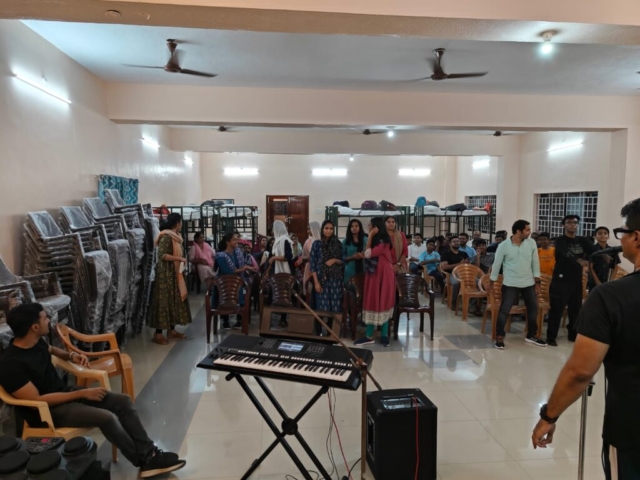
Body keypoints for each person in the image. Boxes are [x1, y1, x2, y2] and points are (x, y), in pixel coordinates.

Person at [0, 304, 186, 478]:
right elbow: (38, 400)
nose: (48, 320)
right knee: (106, 417)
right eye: (44, 318)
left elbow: (52, 350)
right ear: (34, 327)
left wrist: (72, 355)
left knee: (123, 401)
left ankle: (149, 454)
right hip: (46, 412)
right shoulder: (11, 364)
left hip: (64, 393)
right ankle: (145, 461)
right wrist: (81, 393)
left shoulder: (36, 342)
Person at [531, 198, 640, 479]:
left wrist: (549, 416)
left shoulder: (611, 297)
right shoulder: (560, 244)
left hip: (632, 429)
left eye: (622, 232)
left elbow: (580, 372)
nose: (619, 239)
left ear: (636, 238)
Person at [490, 220, 546, 349]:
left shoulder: (531, 243)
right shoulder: (504, 245)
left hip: (528, 282)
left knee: (533, 309)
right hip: (510, 283)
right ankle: (499, 336)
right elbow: (496, 264)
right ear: (518, 231)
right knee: (504, 310)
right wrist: (491, 283)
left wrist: (537, 282)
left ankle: (531, 335)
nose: (529, 232)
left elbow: (535, 263)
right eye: (527, 230)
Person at [546, 215, 597, 345]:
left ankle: (573, 335)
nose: (572, 225)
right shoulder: (560, 241)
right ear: (563, 225)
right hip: (560, 280)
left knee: (575, 310)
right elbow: (565, 253)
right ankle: (551, 337)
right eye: (569, 222)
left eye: (575, 222)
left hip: (576, 280)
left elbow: (594, 251)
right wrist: (579, 260)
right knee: (557, 309)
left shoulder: (582, 240)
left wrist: (606, 256)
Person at [149, 213, 191, 346]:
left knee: (174, 300)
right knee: (164, 302)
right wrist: (180, 258)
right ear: (177, 223)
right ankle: (158, 334)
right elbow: (162, 255)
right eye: (181, 222)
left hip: (175, 273)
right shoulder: (166, 236)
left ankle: (171, 330)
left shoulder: (176, 236)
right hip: (165, 275)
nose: (182, 224)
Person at [355, 218, 395, 347]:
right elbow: (367, 253)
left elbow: (367, 254)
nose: (369, 226)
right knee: (372, 301)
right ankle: (369, 335)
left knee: (383, 302)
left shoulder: (383, 242)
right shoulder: (377, 242)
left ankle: (384, 335)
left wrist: (371, 235)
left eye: (370, 225)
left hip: (384, 276)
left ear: (376, 228)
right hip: (374, 275)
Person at [215, 232, 257, 330]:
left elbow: (242, 265)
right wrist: (242, 269)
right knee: (226, 294)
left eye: (237, 239)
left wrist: (248, 267)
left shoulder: (237, 252)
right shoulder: (221, 255)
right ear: (227, 242)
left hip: (238, 281)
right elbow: (226, 271)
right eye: (234, 239)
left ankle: (239, 319)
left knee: (242, 290)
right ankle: (225, 321)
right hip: (225, 282)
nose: (237, 241)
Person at [310, 220, 344, 332]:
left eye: (331, 229)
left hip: (335, 280)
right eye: (326, 228)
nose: (328, 231)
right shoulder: (317, 244)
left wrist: (334, 260)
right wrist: (316, 282)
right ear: (322, 229)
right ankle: (319, 332)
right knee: (321, 307)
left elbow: (342, 261)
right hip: (322, 279)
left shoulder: (337, 244)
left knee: (335, 306)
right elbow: (313, 265)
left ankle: (332, 333)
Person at [440, 235, 470, 308]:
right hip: (450, 275)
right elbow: (444, 267)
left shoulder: (464, 253)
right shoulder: (446, 253)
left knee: (477, 281)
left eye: (458, 241)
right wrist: (459, 264)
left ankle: (472, 306)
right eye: (454, 241)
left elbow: (467, 264)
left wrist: (466, 264)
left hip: (463, 274)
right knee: (456, 282)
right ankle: (454, 303)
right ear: (450, 244)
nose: (456, 243)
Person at [342, 219, 367, 285]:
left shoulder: (365, 240)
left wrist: (364, 255)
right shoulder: (346, 242)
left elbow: (371, 252)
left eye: (356, 226)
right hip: (350, 270)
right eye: (352, 226)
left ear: (360, 227)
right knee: (350, 288)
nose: (354, 228)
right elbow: (341, 257)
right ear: (349, 228)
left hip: (364, 269)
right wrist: (353, 257)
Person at [297, 222, 321, 286]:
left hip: (320, 268)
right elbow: (303, 257)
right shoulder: (308, 242)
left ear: (314, 229)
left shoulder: (322, 241)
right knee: (309, 286)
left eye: (309, 229)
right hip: (309, 268)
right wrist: (309, 258)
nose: (307, 231)